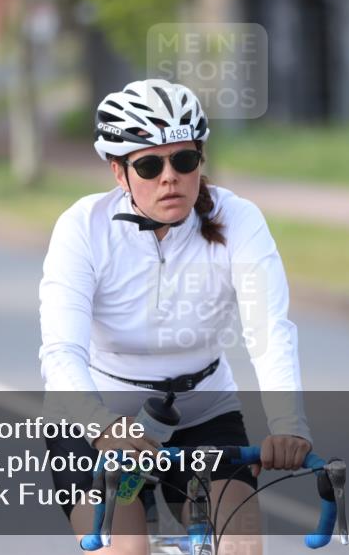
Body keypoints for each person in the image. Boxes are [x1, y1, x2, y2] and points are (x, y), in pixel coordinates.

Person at [39, 79, 312, 555]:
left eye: (184, 161)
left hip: (202, 411)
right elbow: (61, 351)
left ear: (200, 162)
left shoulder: (238, 220)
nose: (170, 177)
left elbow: (268, 331)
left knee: (241, 546)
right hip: (97, 415)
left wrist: (288, 423)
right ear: (119, 173)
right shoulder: (83, 228)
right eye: (149, 164)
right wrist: (102, 427)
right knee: (127, 551)